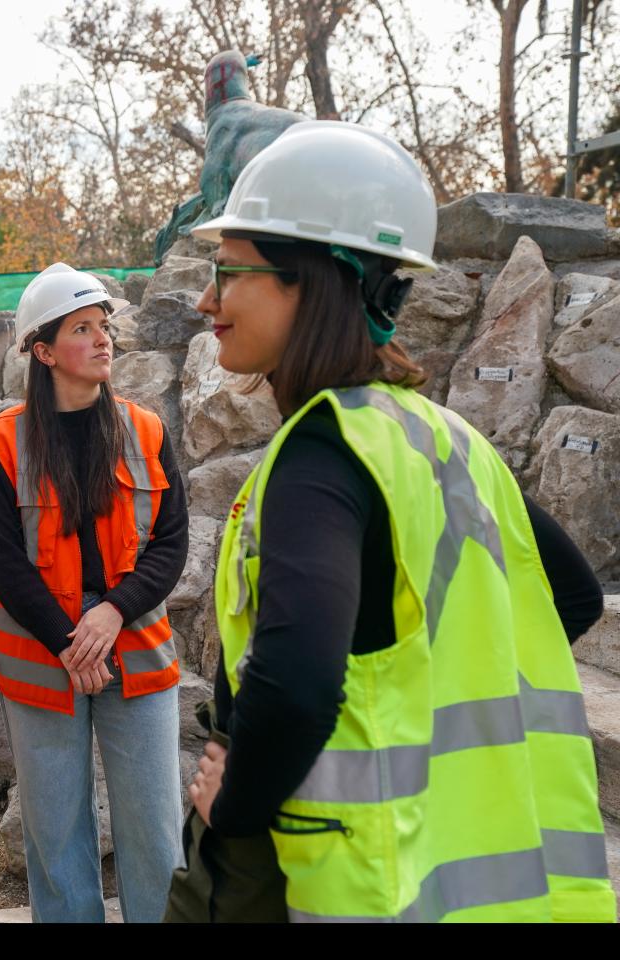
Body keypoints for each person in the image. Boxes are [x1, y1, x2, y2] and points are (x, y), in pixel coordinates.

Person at [169, 120, 613, 923]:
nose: (208, 300)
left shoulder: (321, 455)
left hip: (359, 884)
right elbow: (571, 598)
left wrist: (233, 806)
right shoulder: (449, 440)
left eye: (228, 272)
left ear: (312, 280)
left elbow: (296, 684)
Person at [0, 263, 189, 923]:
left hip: (136, 648)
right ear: (43, 352)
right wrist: (72, 642)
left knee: (154, 827)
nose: (103, 340)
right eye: (83, 329)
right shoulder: (1, 443)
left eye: (104, 327)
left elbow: (171, 544)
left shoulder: (146, 430)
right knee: (56, 832)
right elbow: (4, 563)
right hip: (44, 654)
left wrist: (112, 613)